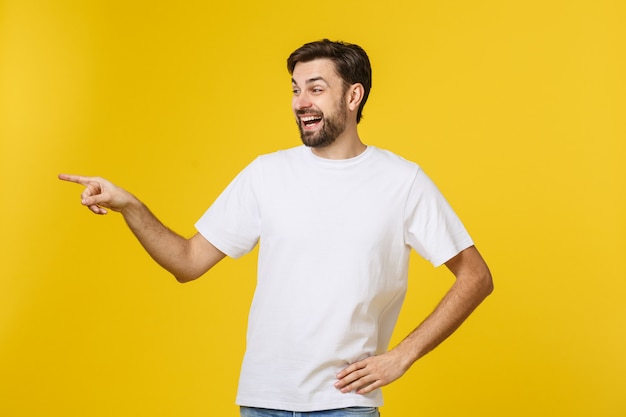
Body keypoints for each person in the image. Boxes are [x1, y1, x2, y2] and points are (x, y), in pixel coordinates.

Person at [59, 39, 493, 417]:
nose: (300, 101)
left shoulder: (402, 181)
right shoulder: (266, 174)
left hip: (344, 406)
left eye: (316, 89)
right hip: (262, 401)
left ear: (353, 96)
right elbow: (187, 262)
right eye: (295, 89)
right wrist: (130, 205)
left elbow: (476, 277)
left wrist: (402, 356)